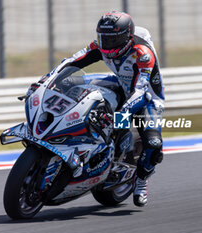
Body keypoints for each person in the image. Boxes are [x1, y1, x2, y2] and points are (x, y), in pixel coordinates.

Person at [28, 11, 164, 207]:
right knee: (70, 83)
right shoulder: (99, 46)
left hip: (146, 97)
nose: (106, 44)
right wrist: (45, 81)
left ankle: (141, 180)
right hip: (118, 83)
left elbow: (140, 90)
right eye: (103, 38)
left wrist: (122, 114)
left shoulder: (142, 55)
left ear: (126, 37)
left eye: (112, 39)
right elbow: (71, 61)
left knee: (153, 143)